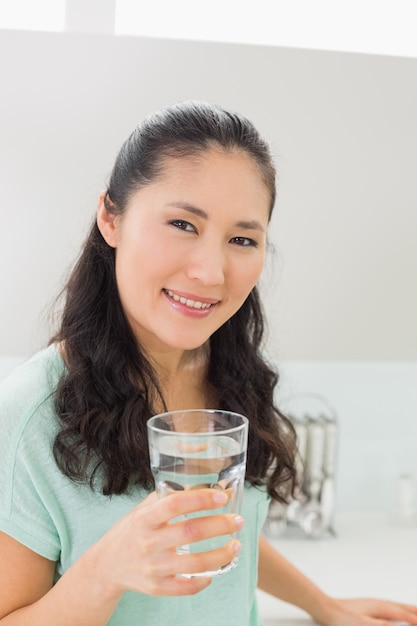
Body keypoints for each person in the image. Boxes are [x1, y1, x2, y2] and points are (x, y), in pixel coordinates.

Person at [0, 101, 416, 626]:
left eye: (242, 239)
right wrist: (106, 569)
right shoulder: (27, 417)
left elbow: (219, 526)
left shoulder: (233, 373)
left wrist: (323, 605)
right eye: (182, 223)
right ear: (111, 217)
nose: (210, 271)